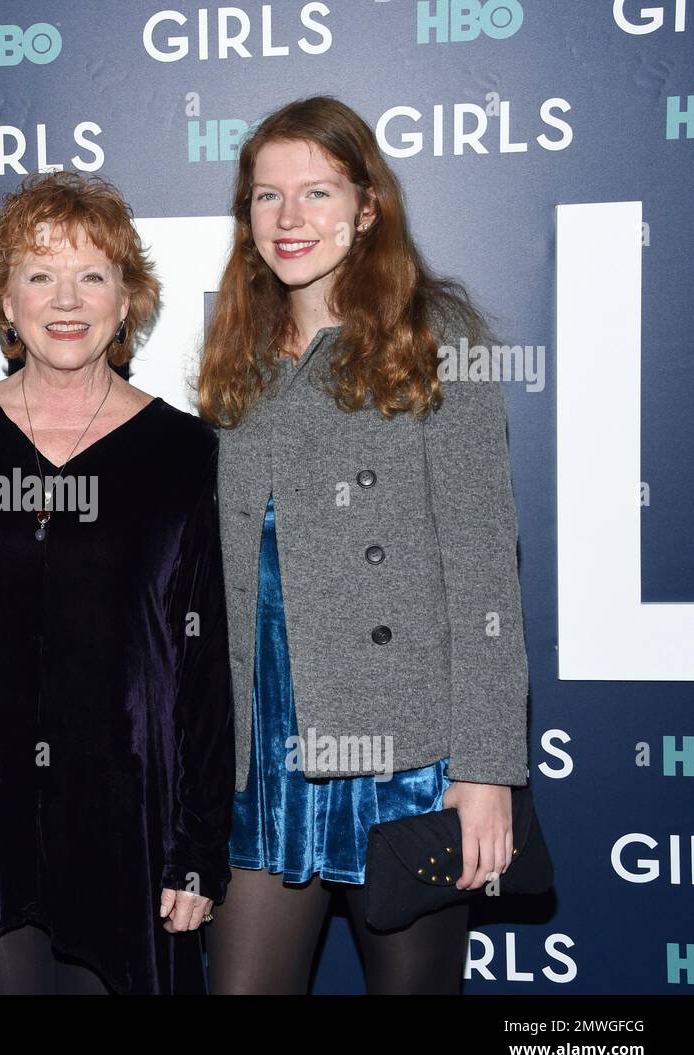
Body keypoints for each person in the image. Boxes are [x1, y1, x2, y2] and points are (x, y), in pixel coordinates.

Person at [0, 171, 234, 994]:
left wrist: (200, 849)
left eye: (93, 275)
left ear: (128, 301)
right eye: (39, 275)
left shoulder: (185, 455)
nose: (68, 300)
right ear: (3, 302)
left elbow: (207, 669)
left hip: (127, 825)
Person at [198, 96, 530, 994]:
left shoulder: (435, 339)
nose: (290, 220)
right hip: (264, 761)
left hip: (407, 756)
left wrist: (488, 769)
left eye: (316, 192)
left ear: (368, 205)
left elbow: (484, 566)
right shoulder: (237, 351)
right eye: (267, 197)